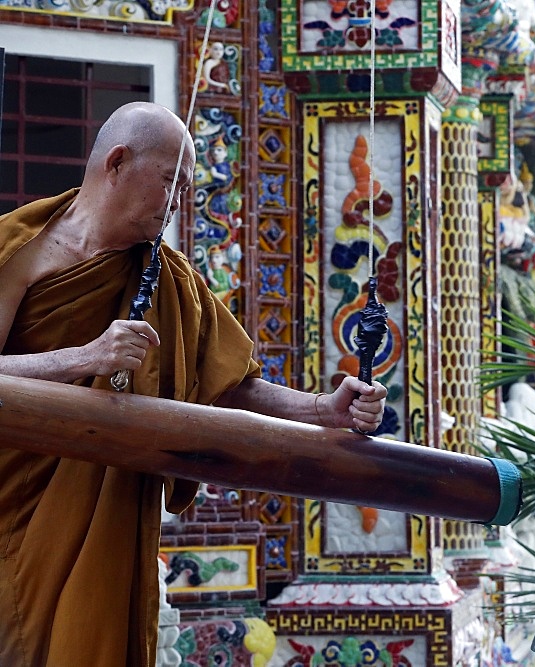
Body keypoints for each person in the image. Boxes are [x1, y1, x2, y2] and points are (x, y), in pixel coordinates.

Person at [0, 102, 387, 666]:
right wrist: (84, 357)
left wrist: (324, 410)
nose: (177, 202)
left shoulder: (170, 280)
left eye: (185, 189)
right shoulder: (19, 247)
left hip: (101, 512)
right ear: (116, 162)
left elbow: (229, 387)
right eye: (169, 183)